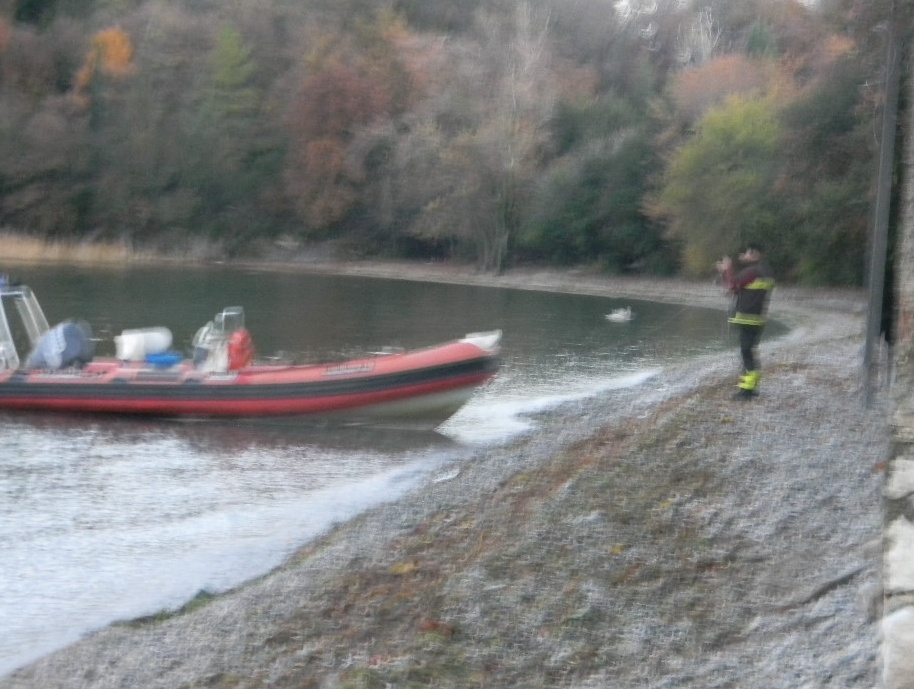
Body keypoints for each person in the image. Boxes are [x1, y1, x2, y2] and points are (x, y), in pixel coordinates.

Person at [716, 244, 775, 399]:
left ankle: (748, 391)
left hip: (748, 319)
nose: (743, 255)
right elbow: (736, 287)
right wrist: (726, 274)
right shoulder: (764, 271)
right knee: (748, 352)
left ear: (755, 254)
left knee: (746, 353)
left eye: (746, 252)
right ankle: (749, 387)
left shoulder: (753, 271)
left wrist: (727, 269)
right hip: (757, 319)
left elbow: (733, 284)